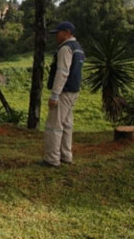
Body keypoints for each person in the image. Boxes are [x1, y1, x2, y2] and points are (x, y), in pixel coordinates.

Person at [41, 21, 84, 168]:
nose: (56, 37)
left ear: (66, 33)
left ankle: (52, 159)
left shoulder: (65, 48)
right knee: (67, 125)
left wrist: (54, 95)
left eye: (58, 33)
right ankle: (66, 155)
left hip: (64, 92)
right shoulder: (78, 48)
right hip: (73, 91)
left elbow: (62, 73)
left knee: (54, 125)